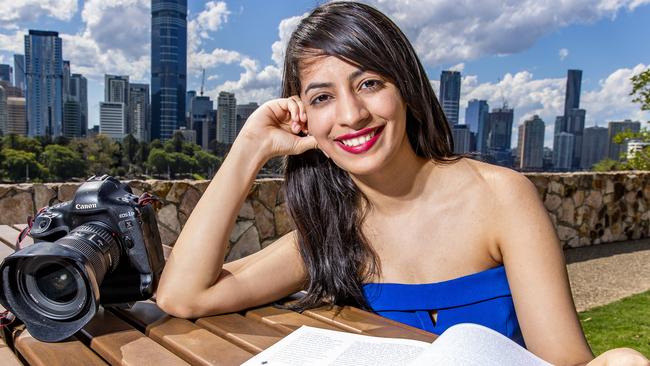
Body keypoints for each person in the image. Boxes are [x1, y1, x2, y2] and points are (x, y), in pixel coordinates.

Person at [156, 2, 649, 365]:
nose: (351, 115)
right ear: (304, 116)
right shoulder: (330, 230)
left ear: (406, 88)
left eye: (369, 83)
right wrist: (250, 146)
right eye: (323, 97)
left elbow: (563, 361)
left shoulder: (500, 196)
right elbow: (184, 296)